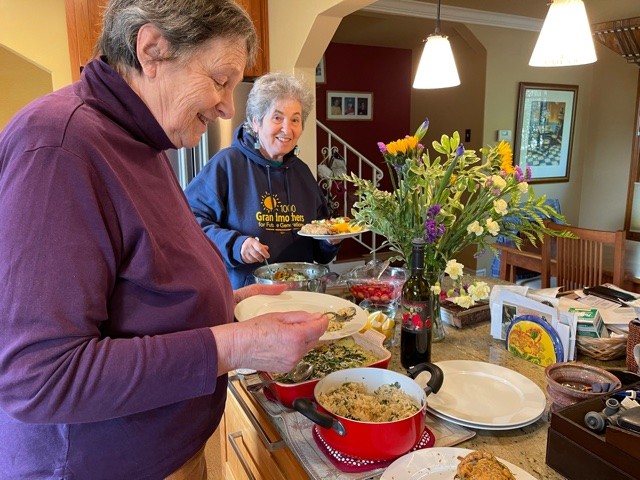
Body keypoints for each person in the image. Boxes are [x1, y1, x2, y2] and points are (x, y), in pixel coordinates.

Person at [0, 1, 328, 478]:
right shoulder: (59, 146)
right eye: (220, 80)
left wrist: (229, 301)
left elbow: (134, 292)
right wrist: (234, 345)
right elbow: (40, 377)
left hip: (166, 453)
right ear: (152, 50)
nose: (226, 108)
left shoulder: (140, 141)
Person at [185, 72, 341, 289]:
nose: (287, 129)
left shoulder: (303, 173)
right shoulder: (227, 165)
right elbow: (188, 221)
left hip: (300, 295)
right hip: (246, 298)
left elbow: (320, 251)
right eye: (277, 117)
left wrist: (329, 241)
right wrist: (236, 245)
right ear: (256, 122)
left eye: (295, 119)